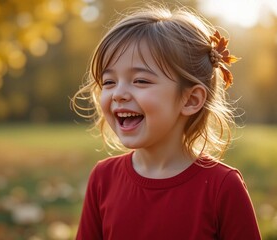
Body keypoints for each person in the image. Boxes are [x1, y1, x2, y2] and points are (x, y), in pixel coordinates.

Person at [72, 4, 261, 240]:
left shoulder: (222, 187)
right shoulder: (102, 179)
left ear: (191, 99)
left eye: (140, 80)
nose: (118, 93)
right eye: (109, 82)